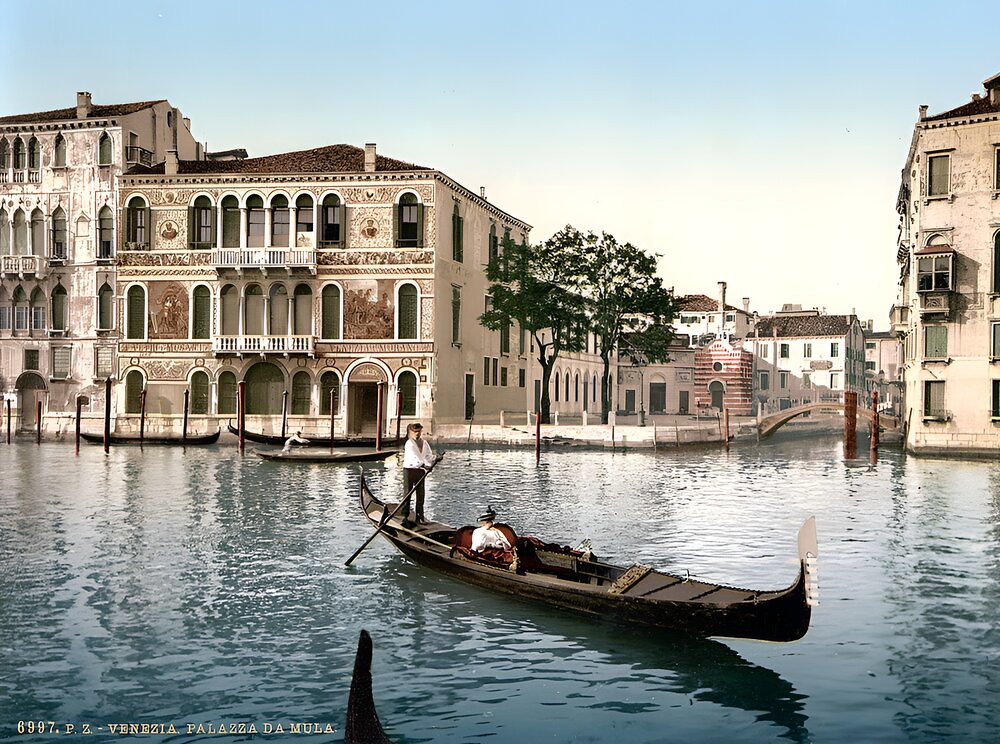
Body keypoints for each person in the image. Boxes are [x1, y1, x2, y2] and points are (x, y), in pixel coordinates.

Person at [401, 422, 438, 527]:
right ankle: (405, 517)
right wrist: (424, 466)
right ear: (412, 432)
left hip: (420, 471)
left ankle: (419, 517)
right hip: (409, 470)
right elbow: (414, 458)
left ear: (421, 431)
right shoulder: (409, 443)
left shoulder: (424, 443)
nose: (417, 434)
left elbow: (428, 456)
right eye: (415, 432)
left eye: (418, 431)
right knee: (407, 493)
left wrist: (436, 458)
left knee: (421, 494)